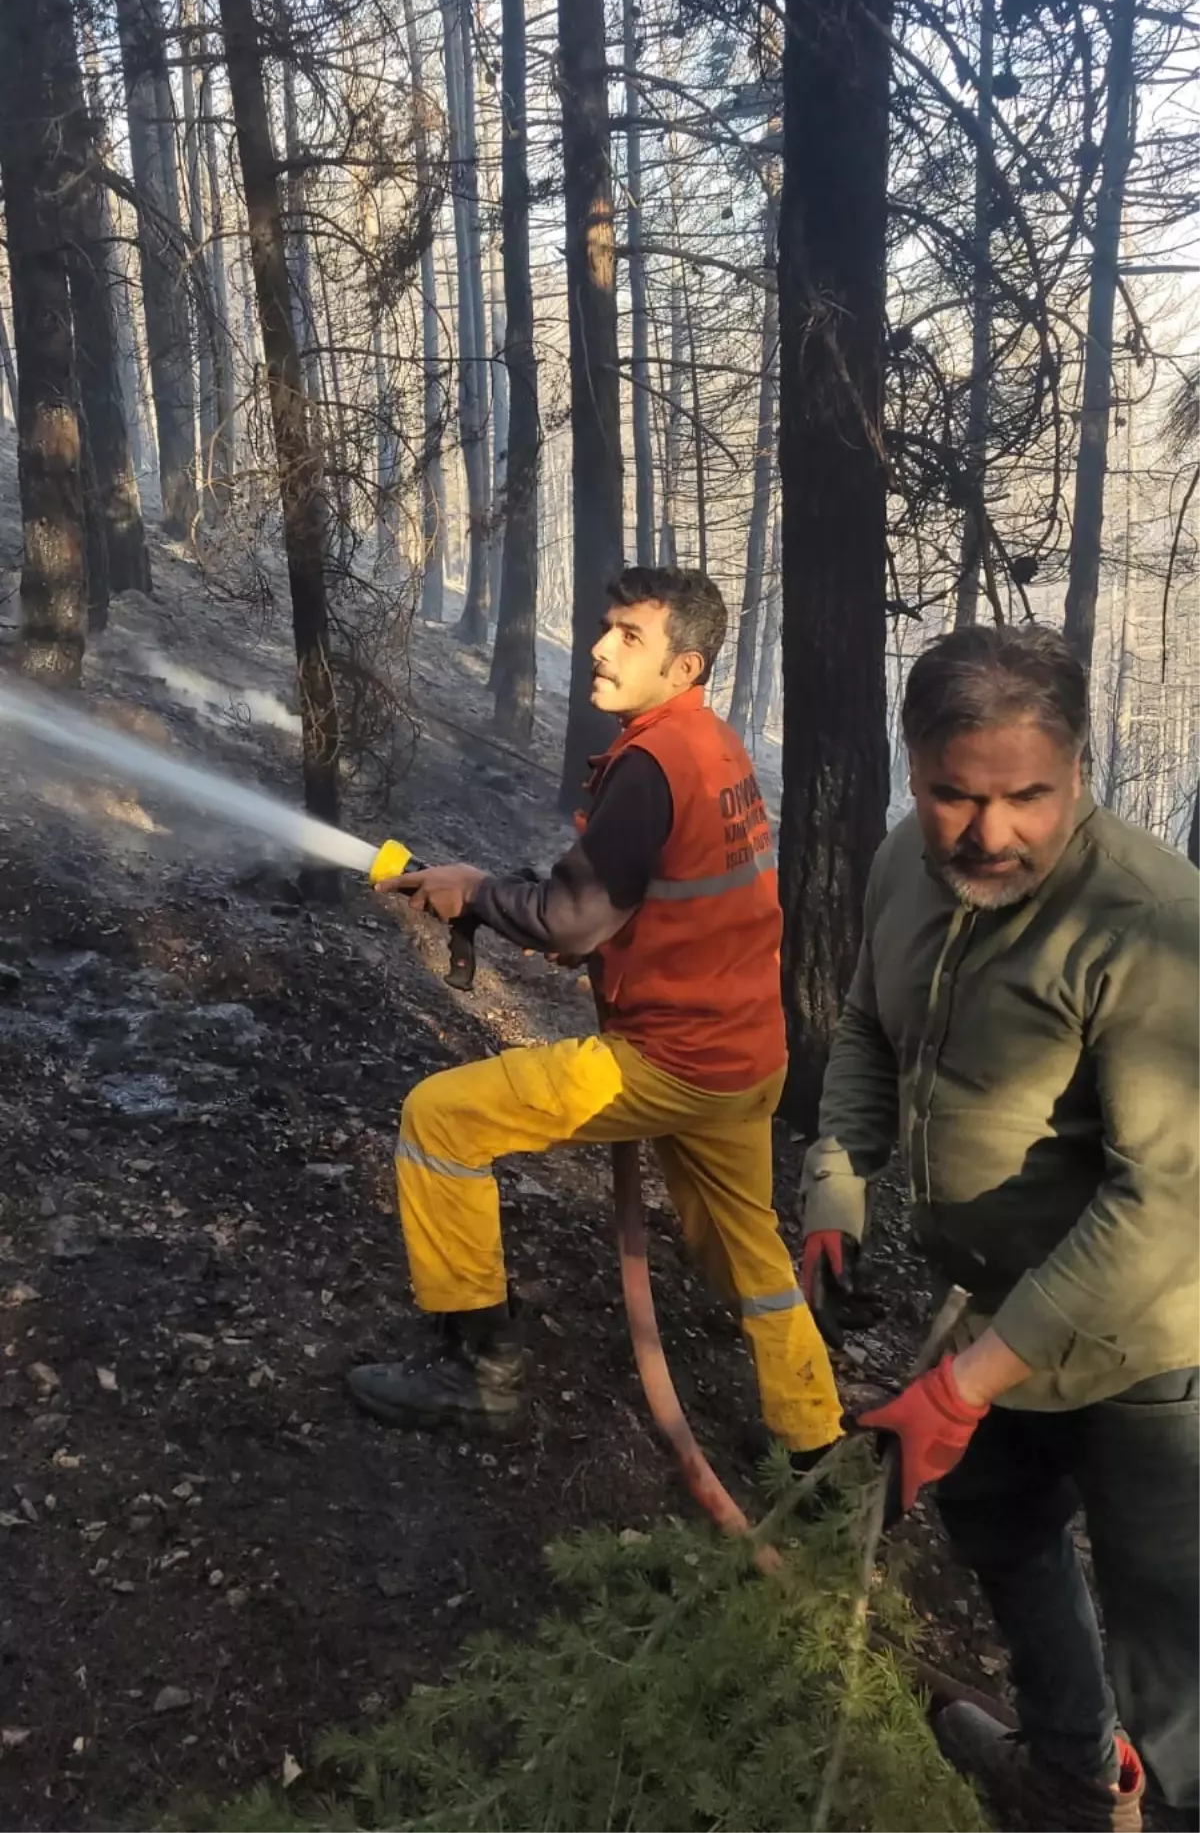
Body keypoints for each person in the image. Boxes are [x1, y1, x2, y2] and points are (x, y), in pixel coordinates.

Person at [800, 622, 1200, 1833]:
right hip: (991, 1318)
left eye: (1028, 796)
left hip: (1142, 1356)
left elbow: (1165, 1198)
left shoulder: (1149, 922)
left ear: (1078, 769)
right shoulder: (899, 868)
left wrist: (965, 1383)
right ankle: (1070, 1778)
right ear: (912, 765)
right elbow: (869, 1028)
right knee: (1002, 1533)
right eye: (953, 795)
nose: (990, 833)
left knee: (1172, 1644)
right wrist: (837, 1180)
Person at [347, 565, 843, 1468]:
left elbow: (575, 915)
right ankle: (813, 1444)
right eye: (605, 627)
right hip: (745, 1054)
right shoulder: (713, 746)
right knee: (754, 1260)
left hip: (669, 1058)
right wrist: (519, 905)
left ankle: (482, 1377)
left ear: (685, 666)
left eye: (629, 637)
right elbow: (635, 898)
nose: (600, 648)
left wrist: (480, 897)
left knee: (438, 1120)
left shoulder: (653, 763)